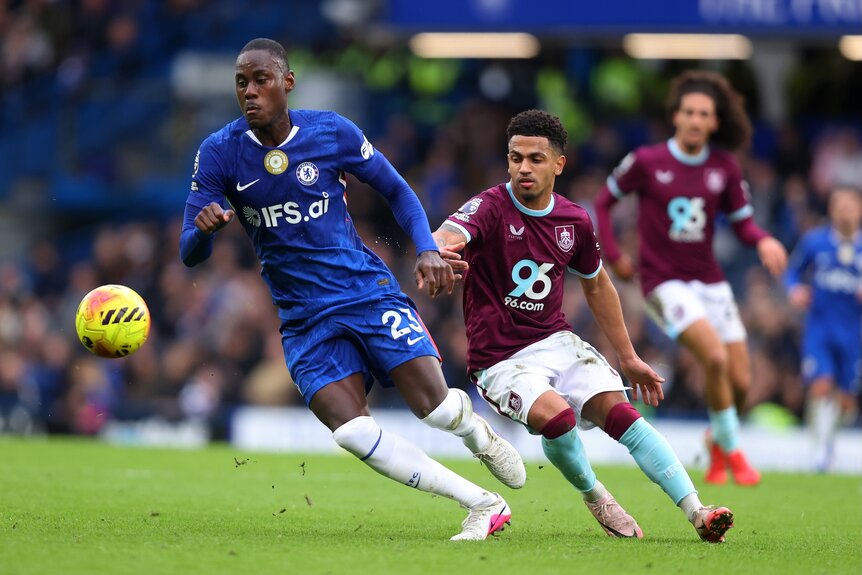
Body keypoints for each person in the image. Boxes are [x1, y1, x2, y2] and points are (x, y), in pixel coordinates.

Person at [179, 38, 526, 541]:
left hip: (365, 293)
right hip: (303, 318)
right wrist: (204, 232)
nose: (250, 92)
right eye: (241, 83)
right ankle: (481, 503)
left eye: (261, 80)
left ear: (287, 82)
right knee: (351, 431)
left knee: (435, 408)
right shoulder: (219, 152)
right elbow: (189, 250)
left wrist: (426, 248)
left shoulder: (331, 131)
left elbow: (396, 189)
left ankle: (475, 432)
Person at [433, 109, 734, 543]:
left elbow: (597, 285)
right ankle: (597, 496)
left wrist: (628, 357)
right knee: (557, 419)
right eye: (515, 158)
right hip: (500, 359)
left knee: (623, 415)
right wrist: (435, 252)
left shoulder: (574, 220)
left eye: (536, 159)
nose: (523, 168)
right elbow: (447, 234)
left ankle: (697, 511)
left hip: (556, 341)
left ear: (559, 164)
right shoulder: (489, 207)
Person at [594, 70, 788, 486]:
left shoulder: (724, 167)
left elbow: (743, 223)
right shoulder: (647, 161)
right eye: (689, 112)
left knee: (741, 382)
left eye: (704, 114)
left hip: (710, 282)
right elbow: (604, 201)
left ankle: (717, 442)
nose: (696, 120)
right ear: (676, 116)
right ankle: (734, 451)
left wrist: (764, 240)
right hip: (663, 283)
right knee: (714, 358)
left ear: (715, 122)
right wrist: (614, 254)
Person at [785, 186, 862, 472]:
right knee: (820, 385)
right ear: (831, 209)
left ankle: (828, 444)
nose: (844, 211)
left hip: (854, 334)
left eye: (849, 206)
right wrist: (794, 289)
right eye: (839, 205)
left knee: (847, 404)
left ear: (859, 210)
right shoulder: (815, 242)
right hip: (820, 329)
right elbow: (792, 271)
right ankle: (818, 453)